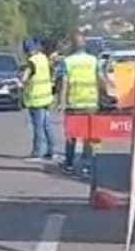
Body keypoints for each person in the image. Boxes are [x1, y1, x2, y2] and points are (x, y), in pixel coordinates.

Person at [57, 33, 109, 175]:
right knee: (88, 136)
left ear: (73, 45)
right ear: (84, 44)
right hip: (91, 103)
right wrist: (106, 94)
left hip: (74, 104)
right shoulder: (93, 61)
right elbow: (101, 79)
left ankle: (69, 165)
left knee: (71, 136)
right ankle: (87, 166)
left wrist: (61, 102)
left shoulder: (68, 62)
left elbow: (65, 83)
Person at [19, 38, 56, 161]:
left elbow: (24, 79)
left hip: (36, 99)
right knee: (47, 126)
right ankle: (51, 151)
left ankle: (36, 153)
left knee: (38, 127)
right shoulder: (43, 58)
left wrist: (20, 82)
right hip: (46, 97)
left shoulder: (32, 61)